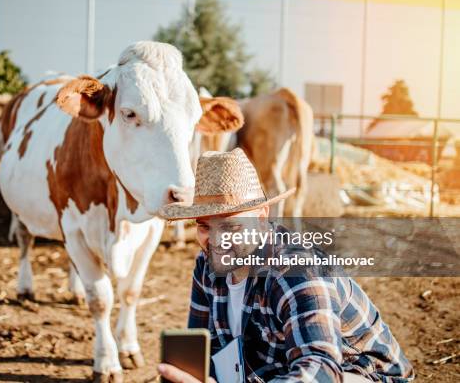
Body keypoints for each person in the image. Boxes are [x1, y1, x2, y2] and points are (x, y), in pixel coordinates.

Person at [157, 148, 414, 383]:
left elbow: (321, 369)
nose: (215, 240)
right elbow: (204, 348)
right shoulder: (207, 264)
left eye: (230, 226)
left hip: (362, 374)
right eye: (203, 226)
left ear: (260, 219)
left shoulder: (297, 270)